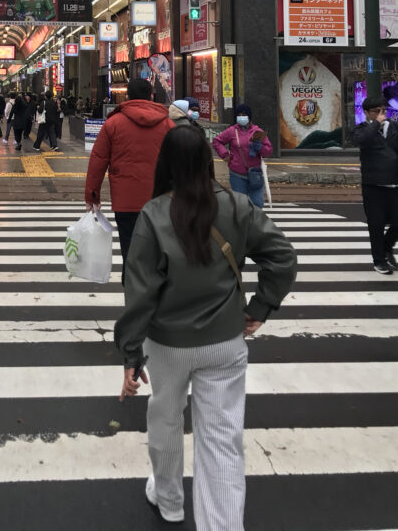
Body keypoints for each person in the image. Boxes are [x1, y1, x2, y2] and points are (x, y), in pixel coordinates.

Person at [115, 126, 297, 530]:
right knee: (222, 441)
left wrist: (130, 353)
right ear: (207, 159)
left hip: (167, 344)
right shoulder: (237, 206)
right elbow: (282, 258)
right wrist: (260, 307)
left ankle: (169, 500)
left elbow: (139, 292)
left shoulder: (154, 214)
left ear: (165, 163)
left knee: (164, 417)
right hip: (225, 342)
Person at [84, 77, 174, 275]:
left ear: (128, 96)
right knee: (159, 248)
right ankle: (157, 291)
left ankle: (134, 291)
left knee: (130, 250)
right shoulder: (167, 124)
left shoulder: (113, 123)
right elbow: (179, 159)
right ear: (151, 95)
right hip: (160, 200)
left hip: (126, 201)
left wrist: (92, 195)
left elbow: (98, 160)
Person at [351, 95, 398, 274]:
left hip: (396, 184)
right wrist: (376, 124)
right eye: (376, 111)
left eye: (383, 110)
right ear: (367, 113)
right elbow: (362, 141)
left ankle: (387, 246)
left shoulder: (394, 128)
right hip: (373, 186)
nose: (381, 114)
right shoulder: (362, 130)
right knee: (376, 225)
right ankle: (379, 260)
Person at [212, 104, 272, 208]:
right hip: (237, 174)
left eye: (244, 114)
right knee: (240, 205)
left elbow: (268, 151)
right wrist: (225, 155)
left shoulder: (258, 131)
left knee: (257, 204)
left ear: (249, 117)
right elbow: (217, 141)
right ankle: (242, 223)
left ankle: (255, 223)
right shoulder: (232, 131)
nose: (241, 117)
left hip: (255, 173)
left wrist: (260, 148)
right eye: (239, 115)